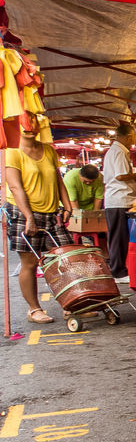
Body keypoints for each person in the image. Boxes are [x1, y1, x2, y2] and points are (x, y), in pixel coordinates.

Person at [5, 126, 75, 322]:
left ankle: (71, 303)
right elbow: (15, 186)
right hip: (23, 212)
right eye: (25, 122)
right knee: (29, 263)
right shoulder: (13, 151)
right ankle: (34, 309)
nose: (29, 127)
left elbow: (58, 179)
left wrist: (68, 207)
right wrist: (29, 217)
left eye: (34, 121)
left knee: (66, 257)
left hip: (52, 212)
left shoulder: (49, 149)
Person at [102, 122, 136, 282]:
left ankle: (119, 269)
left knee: (119, 237)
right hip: (119, 200)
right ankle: (118, 272)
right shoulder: (119, 152)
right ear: (128, 137)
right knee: (118, 238)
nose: (134, 141)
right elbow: (120, 176)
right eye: (134, 137)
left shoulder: (115, 151)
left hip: (118, 200)